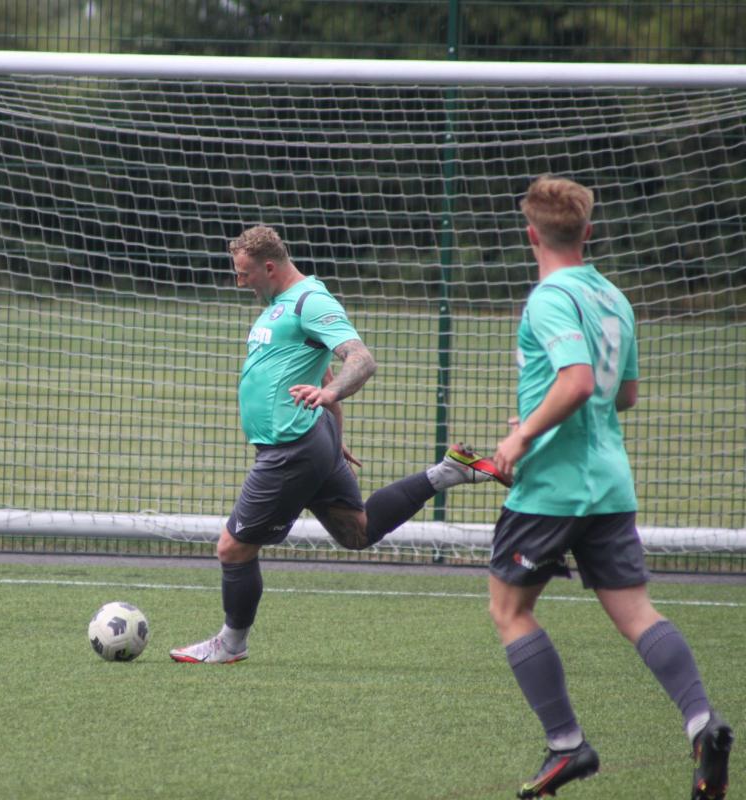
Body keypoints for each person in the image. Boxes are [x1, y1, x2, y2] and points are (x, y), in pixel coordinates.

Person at [484, 175, 733, 799]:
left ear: (531, 234)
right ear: (588, 232)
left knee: (510, 610)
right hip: (610, 483)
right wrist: (539, 413)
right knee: (637, 613)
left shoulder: (548, 296)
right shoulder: (613, 296)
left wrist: (522, 436)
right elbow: (623, 394)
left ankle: (567, 744)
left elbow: (575, 383)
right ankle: (702, 723)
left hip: (553, 486)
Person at [168, 224, 508, 666]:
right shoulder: (278, 304)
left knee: (233, 548)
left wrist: (329, 398)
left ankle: (231, 644)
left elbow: (360, 360)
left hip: (291, 448)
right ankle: (448, 471)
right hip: (313, 440)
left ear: (269, 267)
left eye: (244, 273)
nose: (239, 281)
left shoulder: (310, 301)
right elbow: (322, 369)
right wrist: (336, 435)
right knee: (357, 532)